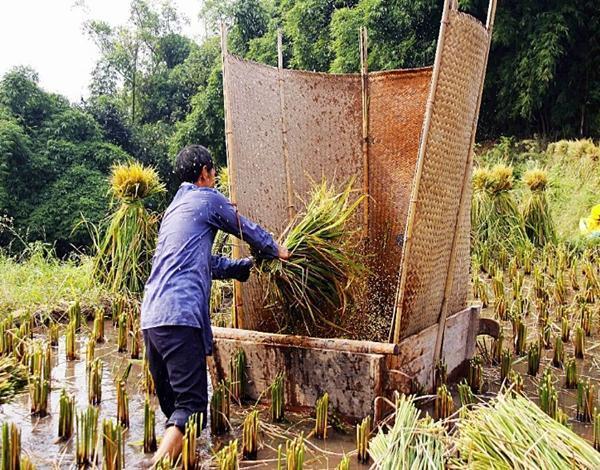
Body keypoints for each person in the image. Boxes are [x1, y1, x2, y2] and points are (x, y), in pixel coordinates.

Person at [140, 144, 289, 465]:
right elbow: (245, 227)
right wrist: (275, 249)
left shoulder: (174, 211)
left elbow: (203, 262)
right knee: (192, 409)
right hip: (180, 319)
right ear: (205, 172)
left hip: (152, 321)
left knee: (175, 412)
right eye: (214, 172)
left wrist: (244, 267)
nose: (216, 178)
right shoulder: (206, 198)